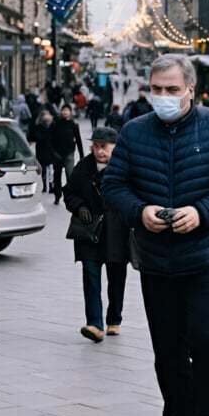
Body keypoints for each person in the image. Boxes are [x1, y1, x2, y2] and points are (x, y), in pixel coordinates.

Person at [101, 53, 209, 416]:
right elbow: (113, 185)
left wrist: (201, 212)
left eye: (171, 89)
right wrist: (140, 212)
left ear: (190, 89)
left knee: (207, 342)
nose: (163, 96)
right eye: (156, 89)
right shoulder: (135, 131)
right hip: (157, 261)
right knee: (168, 351)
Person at [64, 126, 131, 342]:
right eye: (96, 146)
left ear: (115, 147)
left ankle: (114, 319)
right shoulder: (84, 167)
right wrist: (79, 206)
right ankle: (94, 324)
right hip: (90, 231)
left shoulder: (125, 167)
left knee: (116, 277)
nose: (100, 151)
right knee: (90, 276)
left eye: (104, 147)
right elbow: (69, 193)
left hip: (116, 230)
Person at [51, 105, 84, 205]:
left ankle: (70, 197)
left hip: (69, 154)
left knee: (70, 176)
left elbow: (78, 141)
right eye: (63, 110)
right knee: (57, 176)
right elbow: (51, 140)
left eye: (67, 110)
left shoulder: (74, 125)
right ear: (61, 112)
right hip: (57, 154)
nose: (65, 112)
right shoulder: (56, 124)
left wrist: (82, 155)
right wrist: (53, 152)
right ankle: (57, 195)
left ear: (70, 112)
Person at [28, 109, 58, 193]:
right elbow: (35, 137)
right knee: (43, 169)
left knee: (50, 169)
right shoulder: (39, 126)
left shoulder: (53, 125)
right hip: (42, 150)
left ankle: (50, 185)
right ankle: (44, 185)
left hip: (50, 149)